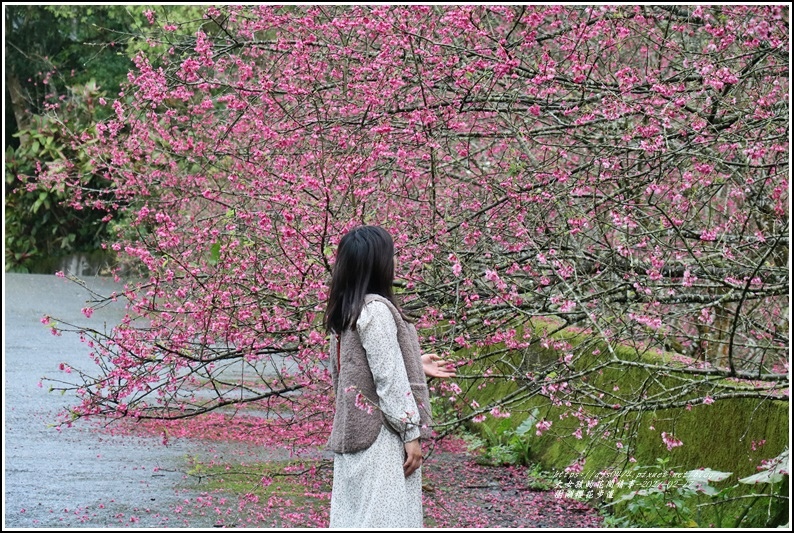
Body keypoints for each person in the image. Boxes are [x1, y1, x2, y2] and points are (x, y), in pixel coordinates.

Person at [324, 225, 455, 528]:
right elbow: (388, 379)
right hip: (380, 436)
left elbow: (355, 369)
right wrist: (411, 434)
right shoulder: (377, 311)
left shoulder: (346, 313)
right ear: (378, 264)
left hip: (352, 431)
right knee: (386, 519)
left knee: (353, 519)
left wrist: (413, 363)